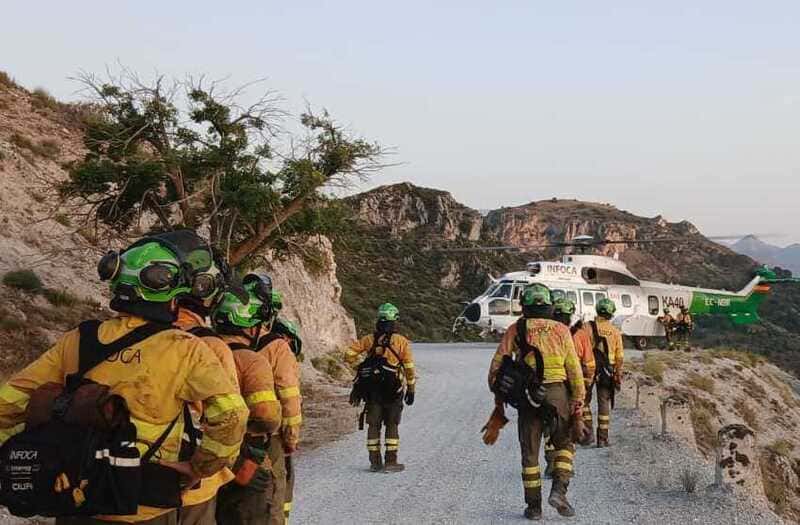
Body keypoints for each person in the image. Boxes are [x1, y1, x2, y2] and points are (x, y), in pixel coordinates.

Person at [0, 236, 248, 525]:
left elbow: (10, 403)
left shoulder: (79, 339)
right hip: (144, 507)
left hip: (78, 501)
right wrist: (198, 468)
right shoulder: (186, 348)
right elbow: (232, 416)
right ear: (173, 291)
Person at [488, 285, 585, 520]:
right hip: (558, 393)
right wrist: (578, 403)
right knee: (564, 444)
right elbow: (574, 369)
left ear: (526, 305)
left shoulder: (516, 328)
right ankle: (559, 491)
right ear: (549, 305)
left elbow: (497, 365)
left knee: (529, 453)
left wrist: (498, 396)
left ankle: (534, 508)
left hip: (528, 397)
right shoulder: (562, 330)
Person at [212, 277, 286, 525]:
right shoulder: (251, 361)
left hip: (206, 459)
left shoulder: (198, 349)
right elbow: (266, 416)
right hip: (245, 459)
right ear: (247, 324)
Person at [344, 303, 416, 473]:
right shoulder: (401, 342)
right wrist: (411, 388)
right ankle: (391, 461)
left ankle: (374, 462)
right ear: (394, 320)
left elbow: (348, 355)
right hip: (393, 391)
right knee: (392, 424)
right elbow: (409, 367)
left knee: (373, 425)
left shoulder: (368, 339)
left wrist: (360, 367)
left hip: (372, 392)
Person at [544, 298, 593, 477]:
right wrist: (586, 383)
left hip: (552, 385)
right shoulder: (579, 335)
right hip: (571, 385)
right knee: (568, 427)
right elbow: (588, 363)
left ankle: (550, 463)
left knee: (549, 426)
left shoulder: (547, 332)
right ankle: (563, 468)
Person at [581, 298, 624, 447]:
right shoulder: (615, 331)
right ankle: (603, 438)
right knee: (604, 402)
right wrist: (618, 375)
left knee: (584, 401)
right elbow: (619, 357)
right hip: (607, 371)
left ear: (597, 310)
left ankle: (587, 433)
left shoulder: (586, 327)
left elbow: (580, 349)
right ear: (611, 313)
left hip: (588, 370)